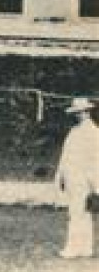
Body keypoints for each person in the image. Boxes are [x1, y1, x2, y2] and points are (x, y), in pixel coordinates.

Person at [55, 96, 98, 259]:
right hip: (73, 178)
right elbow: (65, 156)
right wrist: (61, 176)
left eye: (82, 112)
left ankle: (74, 248)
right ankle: (84, 248)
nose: (79, 115)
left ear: (88, 112)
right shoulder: (74, 131)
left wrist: (96, 186)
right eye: (76, 113)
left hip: (84, 180)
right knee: (79, 213)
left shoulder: (93, 133)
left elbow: (95, 160)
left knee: (78, 213)